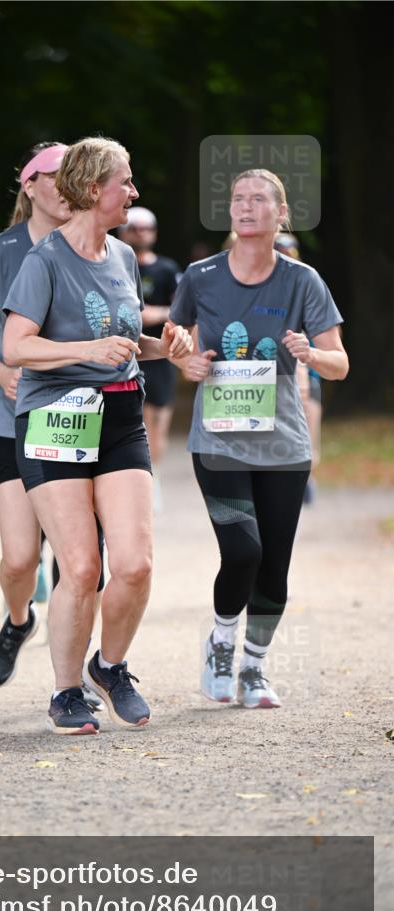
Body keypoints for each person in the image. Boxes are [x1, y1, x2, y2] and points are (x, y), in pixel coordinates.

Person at [3, 136, 192, 735]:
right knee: (82, 568)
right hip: (55, 420)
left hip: (119, 418)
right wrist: (86, 349)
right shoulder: (43, 260)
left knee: (134, 564)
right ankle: (65, 694)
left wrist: (171, 349)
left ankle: (109, 667)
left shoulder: (123, 257)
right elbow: (15, 346)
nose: (133, 194)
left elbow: (126, 340)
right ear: (92, 190)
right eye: (126, 183)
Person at [172, 169, 348, 708]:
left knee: (274, 563)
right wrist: (189, 364)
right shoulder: (200, 277)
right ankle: (221, 641)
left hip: (283, 445)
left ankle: (254, 668)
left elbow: (339, 363)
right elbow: (178, 347)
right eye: (238, 200)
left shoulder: (303, 280)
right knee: (243, 549)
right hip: (219, 441)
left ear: (280, 214)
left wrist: (310, 354)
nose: (246, 208)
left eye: (259, 200)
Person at [0, 142, 106, 704]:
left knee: (80, 563)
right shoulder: (0, 251)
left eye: (74, 173)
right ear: (30, 185)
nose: (66, 183)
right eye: (54, 174)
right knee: (21, 558)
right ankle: (19, 619)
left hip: (81, 420)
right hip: (12, 420)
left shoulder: (97, 245)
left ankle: (71, 683)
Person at [120, 206, 182, 511]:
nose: (139, 233)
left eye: (145, 228)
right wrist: (155, 313)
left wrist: (151, 315)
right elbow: (126, 315)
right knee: (140, 422)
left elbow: (182, 309)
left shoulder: (167, 269)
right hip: (128, 355)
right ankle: (141, 481)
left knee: (160, 421)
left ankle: (154, 477)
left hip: (161, 354)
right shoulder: (116, 264)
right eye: (133, 228)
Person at [274, 233, 323, 504]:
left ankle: (307, 476)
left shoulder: (308, 286)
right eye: (280, 251)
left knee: (310, 428)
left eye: (290, 253)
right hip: (273, 377)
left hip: (307, 374)